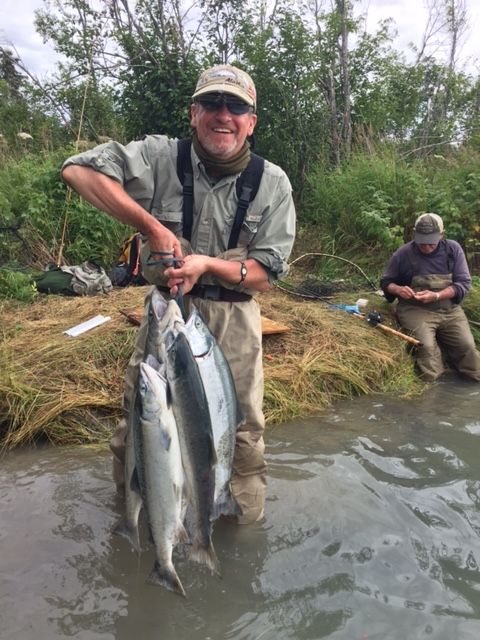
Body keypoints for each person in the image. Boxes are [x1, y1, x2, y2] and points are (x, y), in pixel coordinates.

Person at [61, 64, 296, 524]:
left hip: (233, 322)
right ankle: (142, 521)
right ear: (194, 112)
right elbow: (77, 172)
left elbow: (266, 274)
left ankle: (234, 528)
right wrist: (150, 226)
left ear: (252, 121)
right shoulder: (158, 157)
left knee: (241, 433)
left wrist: (207, 264)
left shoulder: (273, 184)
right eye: (211, 103)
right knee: (144, 423)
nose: (222, 115)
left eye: (236, 106)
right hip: (166, 312)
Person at [380, 212, 480, 383]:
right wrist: (398, 289)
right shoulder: (403, 254)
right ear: (414, 234)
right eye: (422, 241)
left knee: (468, 348)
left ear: (442, 235)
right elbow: (385, 282)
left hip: (450, 310)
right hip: (415, 309)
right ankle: (434, 393)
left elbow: (463, 284)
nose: (426, 246)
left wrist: (437, 295)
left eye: (431, 241)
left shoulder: (453, 249)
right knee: (426, 348)